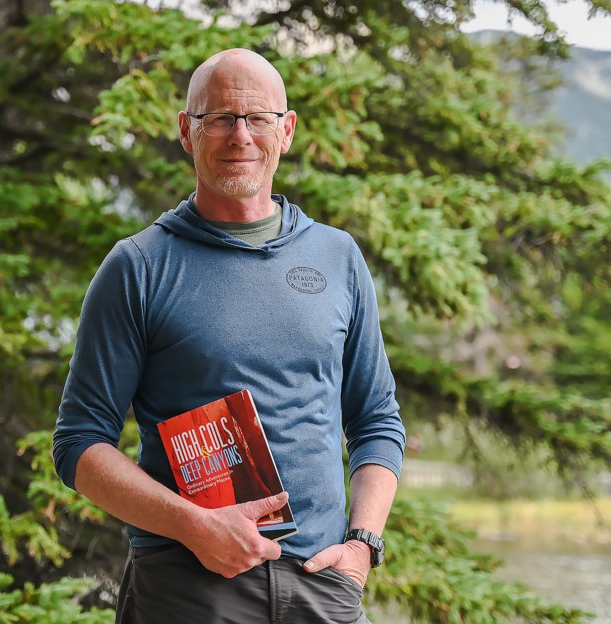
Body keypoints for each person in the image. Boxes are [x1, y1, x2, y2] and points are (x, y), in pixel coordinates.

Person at [53, 48, 406, 624]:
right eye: (217, 118)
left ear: (285, 130)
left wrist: (363, 546)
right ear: (186, 133)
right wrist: (196, 525)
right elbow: (79, 445)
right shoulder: (139, 266)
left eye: (256, 118)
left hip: (324, 587)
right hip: (188, 588)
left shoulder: (337, 257)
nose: (238, 135)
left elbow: (376, 421)